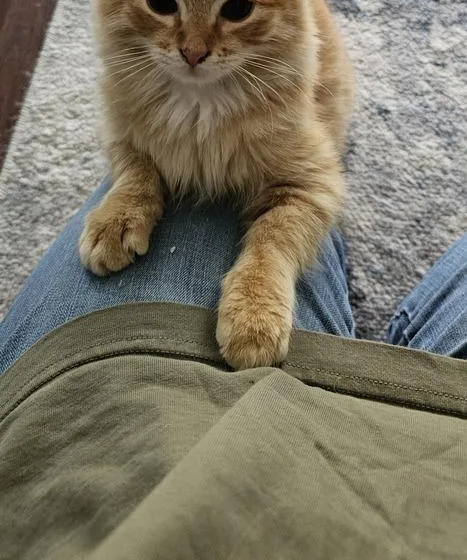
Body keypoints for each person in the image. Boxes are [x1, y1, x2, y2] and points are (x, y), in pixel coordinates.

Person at [0, 181, 466, 560]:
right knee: (303, 179)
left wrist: (135, 182)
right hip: (444, 453)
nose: (194, 56)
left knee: (188, 162)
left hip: (111, 398)